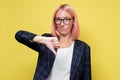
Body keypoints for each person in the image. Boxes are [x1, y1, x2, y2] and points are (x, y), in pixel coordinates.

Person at [15, 4, 91, 80]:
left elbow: (86, 77)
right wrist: (42, 39)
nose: (61, 24)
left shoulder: (83, 48)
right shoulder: (47, 40)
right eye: (58, 19)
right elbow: (19, 35)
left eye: (66, 19)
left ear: (73, 21)